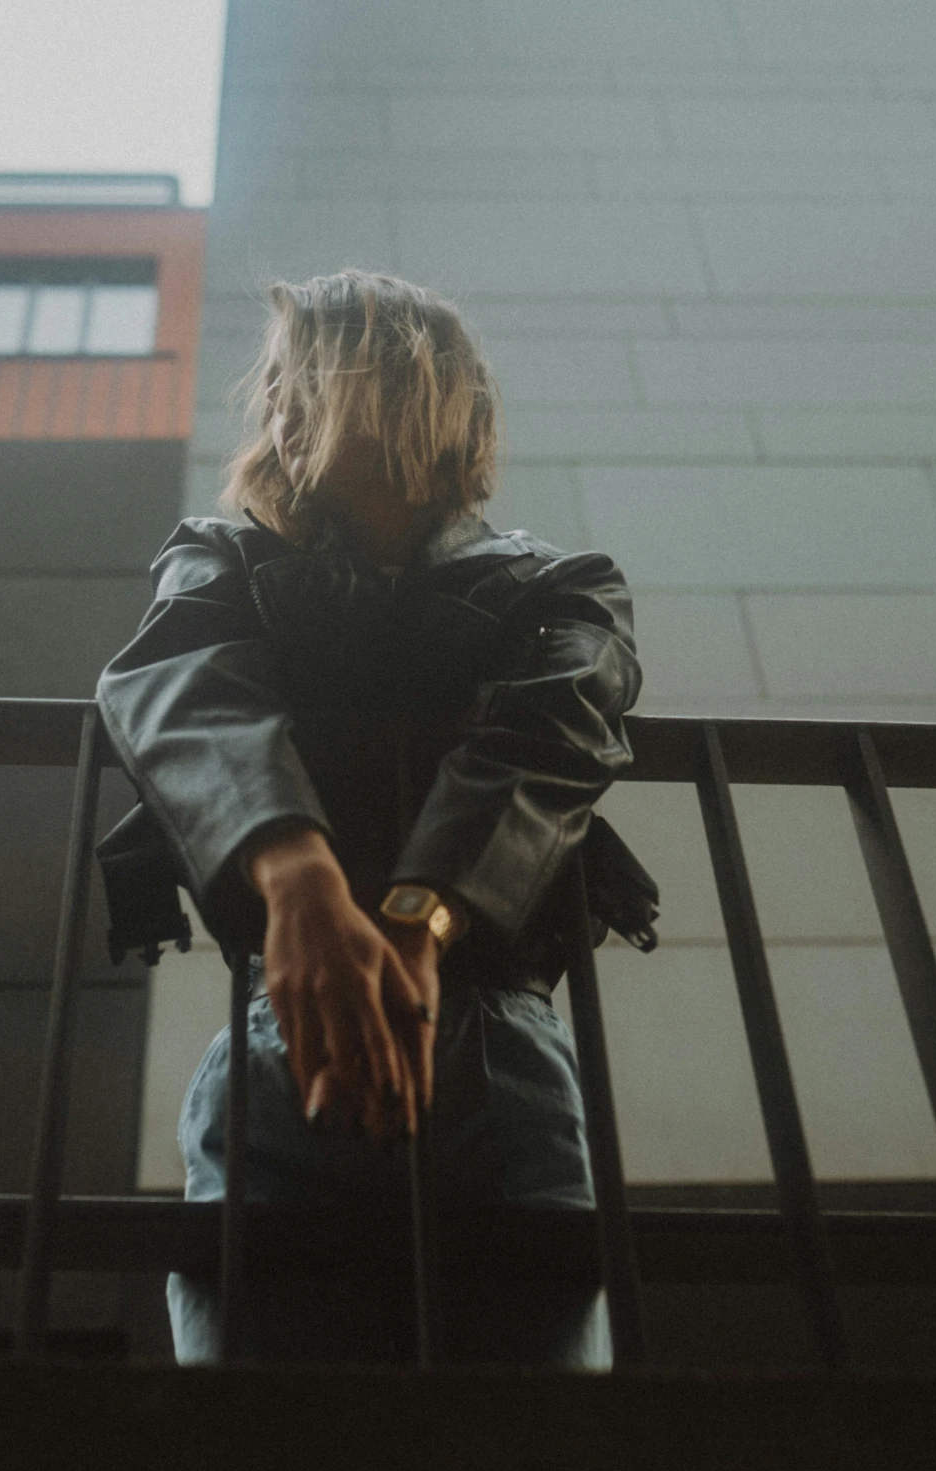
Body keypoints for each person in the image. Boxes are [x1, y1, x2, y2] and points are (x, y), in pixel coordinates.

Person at [93, 269, 644, 1369]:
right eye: (278, 396)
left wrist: (411, 918)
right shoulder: (223, 555)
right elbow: (184, 684)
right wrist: (299, 882)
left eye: (307, 383)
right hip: (280, 1029)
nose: (280, 415)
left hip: (494, 1043)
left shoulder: (560, 584)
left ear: (407, 392)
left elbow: (549, 737)